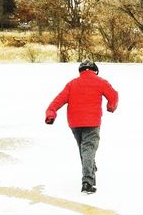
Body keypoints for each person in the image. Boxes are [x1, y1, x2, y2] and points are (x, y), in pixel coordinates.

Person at [45, 60, 119, 194]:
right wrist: (110, 107)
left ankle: (89, 168)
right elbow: (113, 95)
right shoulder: (100, 81)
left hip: (75, 123)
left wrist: (51, 114)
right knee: (88, 149)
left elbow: (57, 100)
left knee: (84, 149)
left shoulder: (72, 84)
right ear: (94, 70)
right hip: (92, 122)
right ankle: (87, 182)